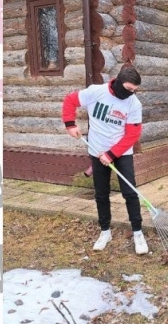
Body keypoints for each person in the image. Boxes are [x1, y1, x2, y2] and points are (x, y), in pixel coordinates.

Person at [62, 66, 148, 254]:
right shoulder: (96, 92)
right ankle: (105, 231)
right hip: (96, 149)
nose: (130, 94)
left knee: (130, 192)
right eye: (128, 89)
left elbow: (133, 134)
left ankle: (137, 232)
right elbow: (70, 100)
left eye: (134, 90)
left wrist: (111, 154)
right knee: (101, 193)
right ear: (117, 82)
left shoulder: (134, 104)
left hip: (122, 152)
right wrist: (70, 124)